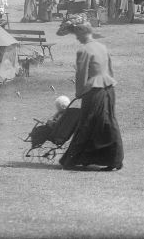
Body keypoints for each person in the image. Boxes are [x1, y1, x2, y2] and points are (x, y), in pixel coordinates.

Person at [56, 14, 124, 171]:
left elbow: (81, 75)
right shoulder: (102, 47)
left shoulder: (84, 50)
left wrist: (79, 92)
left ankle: (73, 160)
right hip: (109, 89)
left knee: (87, 123)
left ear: (81, 33)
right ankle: (114, 159)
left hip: (94, 92)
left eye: (77, 35)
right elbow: (110, 70)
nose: (77, 39)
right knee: (108, 123)